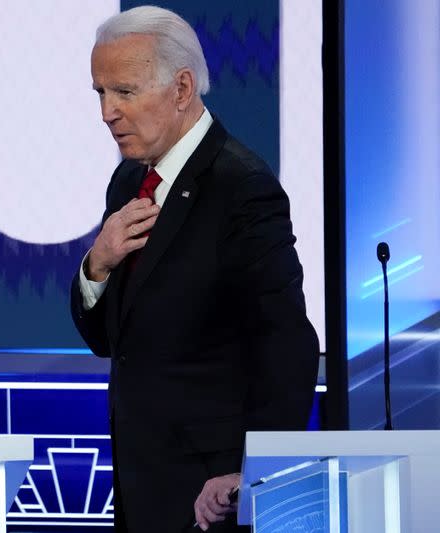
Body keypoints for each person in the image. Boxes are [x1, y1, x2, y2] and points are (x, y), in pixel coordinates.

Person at [70, 7, 319, 532]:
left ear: (181, 89)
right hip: (144, 485)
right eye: (100, 93)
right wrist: (97, 264)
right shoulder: (127, 186)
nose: (107, 112)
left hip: (212, 497)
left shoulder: (241, 186)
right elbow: (110, 340)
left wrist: (247, 471)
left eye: (124, 92)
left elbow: (287, 340)